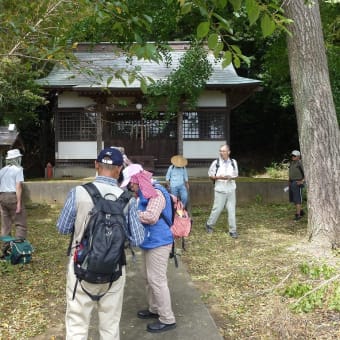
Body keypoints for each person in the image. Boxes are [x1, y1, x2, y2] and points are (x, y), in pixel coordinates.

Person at [56, 147, 145, 340]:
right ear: (119, 169)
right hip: (114, 270)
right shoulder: (128, 200)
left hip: (80, 266)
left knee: (77, 324)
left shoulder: (78, 192)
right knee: (110, 326)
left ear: (96, 165)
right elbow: (138, 239)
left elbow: (62, 228)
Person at [121, 164, 177, 333]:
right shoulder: (143, 193)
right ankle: (154, 308)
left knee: (157, 280)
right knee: (148, 278)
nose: (131, 187)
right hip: (149, 241)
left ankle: (167, 318)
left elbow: (151, 217)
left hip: (160, 242)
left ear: (138, 179)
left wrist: (129, 213)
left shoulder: (157, 192)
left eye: (131, 183)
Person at [206, 144, 239, 238]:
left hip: (231, 189)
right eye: (220, 151)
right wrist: (218, 177)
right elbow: (210, 175)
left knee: (231, 210)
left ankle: (233, 231)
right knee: (217, 209)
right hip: (220, 189)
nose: (221, 153)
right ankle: (209, 225)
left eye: (223, 151)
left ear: (228, 152)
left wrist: (231, 177)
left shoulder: (233, 162)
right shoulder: (215, 162)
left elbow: (236, 174)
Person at [0, 149, 27, 257]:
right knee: (21, 223)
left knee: (5, 226)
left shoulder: (2, 170)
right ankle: (18, 250)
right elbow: (18, 186)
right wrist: (19, 203)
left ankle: (5, 250)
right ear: (16, 159)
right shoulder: (18, 169)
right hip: (13, 197)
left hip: (2, 197)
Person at [288, 150, 305, 221]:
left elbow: (307, 173)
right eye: (292, 155)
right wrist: (289, 180)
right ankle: (301, 211)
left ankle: (298, 215)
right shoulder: (292, 163)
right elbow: (291, 172)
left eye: (294, 156)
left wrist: (302, 181)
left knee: (298, 199)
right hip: (292, 183)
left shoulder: (300, 163)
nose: (293, 157)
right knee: (294, 199)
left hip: (298, 182)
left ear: (298, 156)